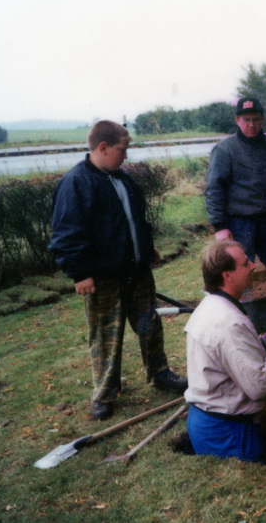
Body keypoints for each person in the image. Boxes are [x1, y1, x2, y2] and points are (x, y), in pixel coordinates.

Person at [50, 120, 187, 421]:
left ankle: (160, 373)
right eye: (122, 150)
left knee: (150, 325)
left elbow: (137, 219)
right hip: (102, 278)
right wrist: (79, 273)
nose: (126, 156)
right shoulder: (76, 183)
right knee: (105, 337)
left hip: (137, 273)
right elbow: (65, 235)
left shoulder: (122, 179)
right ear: (102, 147)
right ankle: (104, 394)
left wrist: (147, 247)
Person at [184, 240, 266, 462]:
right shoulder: (228, 322)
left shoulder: (212, 306)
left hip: (213, 423)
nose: (253, 266)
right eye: (245, 264)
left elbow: (230, 355)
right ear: (227, 276)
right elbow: (259, 384)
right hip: (229, 434)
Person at [205, 97, 266, 267]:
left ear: (263, 119)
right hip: (239, 224)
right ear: (237, 120)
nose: (251, 124)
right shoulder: (225, 149)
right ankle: (247, 295)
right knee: (241, 273)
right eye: (246, 120)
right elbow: (214, 189)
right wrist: (220, 226)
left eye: (256, 119)